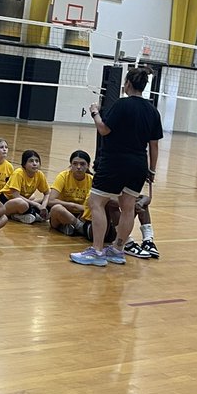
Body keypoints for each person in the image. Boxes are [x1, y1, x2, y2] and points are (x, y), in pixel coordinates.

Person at [71, 66, 164, 268]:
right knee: (128, 207)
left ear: (128, 84)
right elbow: (154, 145)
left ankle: (96, 251)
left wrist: (95, 113)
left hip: (115, 162)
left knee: (96, 202)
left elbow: (104, 130)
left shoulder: (122, 105)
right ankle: (118, 250)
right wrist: (152, 170)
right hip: (139, 164)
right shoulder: (153, 111)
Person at [48, 150, 93, 236]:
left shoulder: (92, 180)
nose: (78, 167)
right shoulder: (63, 176)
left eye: (82, 164)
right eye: (75, 164)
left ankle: (70, 228)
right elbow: (51, 201)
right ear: (70, 165)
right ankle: (80, 227)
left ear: (88, 166)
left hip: (82, 216)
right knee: (56, 208)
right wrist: (73, 205)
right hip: (64, 213)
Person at [0, 150, 50, 222]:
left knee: (49, 202)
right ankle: (11, 214)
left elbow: (47, 193)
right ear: (24, 164)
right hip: (7, 200)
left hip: (25, 201)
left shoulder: (39, 174)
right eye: (31, 161)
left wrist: (43, 206)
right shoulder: (19, 173)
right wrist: (36, 205)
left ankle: (25, 214)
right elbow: (16, 196)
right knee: (22, 203)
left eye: (37, 161)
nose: (35, 164)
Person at [123, 191, 161, 259]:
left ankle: (147, 240)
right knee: (113, 207)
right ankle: (127, 243)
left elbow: (146, 198)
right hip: (108, 230)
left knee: (141, 203)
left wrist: (140, 203)